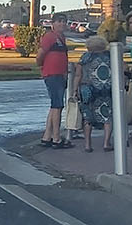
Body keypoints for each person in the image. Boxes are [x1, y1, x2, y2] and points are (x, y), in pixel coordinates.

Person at [73, 35, 114, 153]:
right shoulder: (109, 56)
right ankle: (106, 143)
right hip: (105, 89)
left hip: (87, 89)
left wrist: (75, 90)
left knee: (87, 116)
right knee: (107, 115)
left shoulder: (85, 57)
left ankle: (87, 145)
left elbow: (78, 75)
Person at [36, 13, 71, 148]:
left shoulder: (62, 38)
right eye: (59, 21)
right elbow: (40, 55)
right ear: (53, 23)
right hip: (52, 74)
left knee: (55, 106)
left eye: (64, 21)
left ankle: (47, 136)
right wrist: (43, 67)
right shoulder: (49, 37)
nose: (62, 24)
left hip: (59, 75)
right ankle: (56, 138)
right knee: (57, 106)